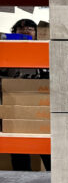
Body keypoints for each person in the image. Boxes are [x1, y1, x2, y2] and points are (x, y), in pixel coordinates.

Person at [1, 19, 51, 171]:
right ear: (14, 32)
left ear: (37, 34)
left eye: (30, 28)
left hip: (42, 108)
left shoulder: (45, 51)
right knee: (19, 154)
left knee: (48, 152)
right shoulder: (6, 52)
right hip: (14, 108)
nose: (25, 30)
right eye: (20, 28)